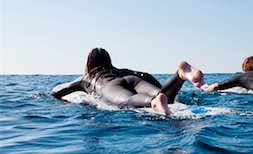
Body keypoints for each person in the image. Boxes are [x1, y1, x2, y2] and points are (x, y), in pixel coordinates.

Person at [51, 48, 204, 115]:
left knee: (127, 100)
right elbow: (144, 75)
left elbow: (62, 93)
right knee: (164, 96)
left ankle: (154, 102)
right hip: (132, 80)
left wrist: (48, 97)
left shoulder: (87, 79)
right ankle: (180, 75)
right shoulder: (120, 70)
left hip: (110, 86)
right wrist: (159, 88)